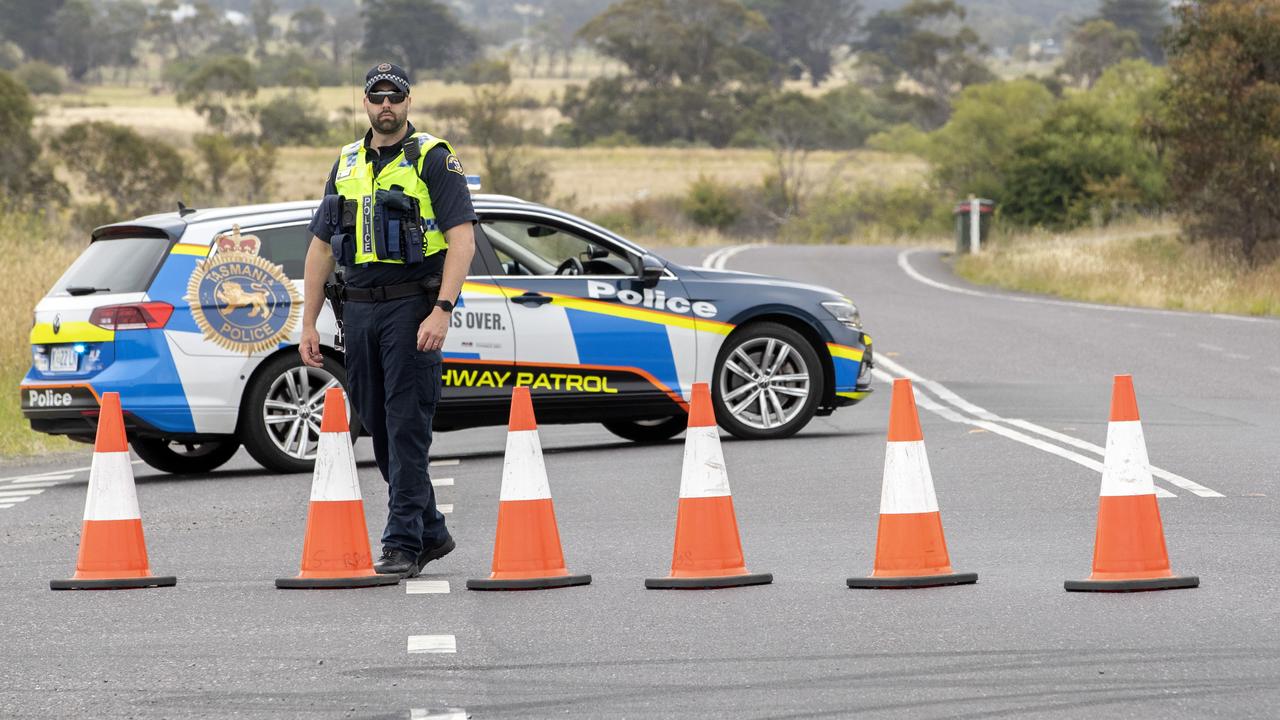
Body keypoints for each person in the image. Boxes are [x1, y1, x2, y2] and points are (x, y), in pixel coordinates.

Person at [300, 62, 475, 578]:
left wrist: (442, 309)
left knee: (405, 425)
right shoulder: (347, 161)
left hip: (410, 307)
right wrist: (308, 323)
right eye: (377, 97)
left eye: (394, 97)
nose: (385, 106)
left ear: (408, 102)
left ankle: (403, 543)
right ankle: (433, 531)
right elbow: (319, 247)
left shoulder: (433, 159)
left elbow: (462, 240)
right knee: (376, 424)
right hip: (357, 309)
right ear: (364, 103)